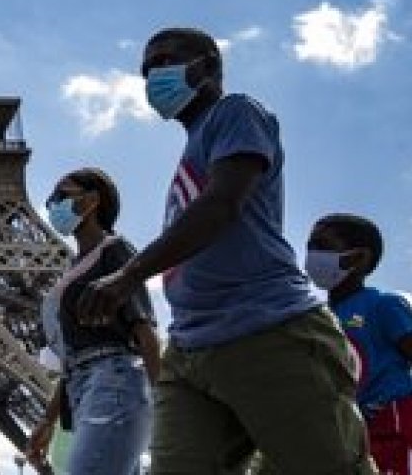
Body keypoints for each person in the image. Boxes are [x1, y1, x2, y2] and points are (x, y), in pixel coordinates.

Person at [75, 26, 376, 474]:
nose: (153, 75)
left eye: (165, 61)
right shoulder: (191, 151)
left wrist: (128, 276)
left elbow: (222, 206)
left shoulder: (235, 113)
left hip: (266, 331)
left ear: (210, 66)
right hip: (190, 349)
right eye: (146, 69)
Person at [28, 167, 160, 475]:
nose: (53, 206)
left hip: (115, 381)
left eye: (62, 196)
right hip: (85, 387)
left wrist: (163, 402)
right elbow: (74, 360)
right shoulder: (73, 268)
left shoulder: (115, 252)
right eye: (50, 201)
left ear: (92, 201)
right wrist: (48, 421)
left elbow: (145, 332)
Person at [307, 213, 412, 474]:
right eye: (310, 247)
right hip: (344, 432)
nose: (312, 255)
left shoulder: (383, 305)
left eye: (323, 245)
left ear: (360, 257)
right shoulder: (317, 318)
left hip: (389, 420)